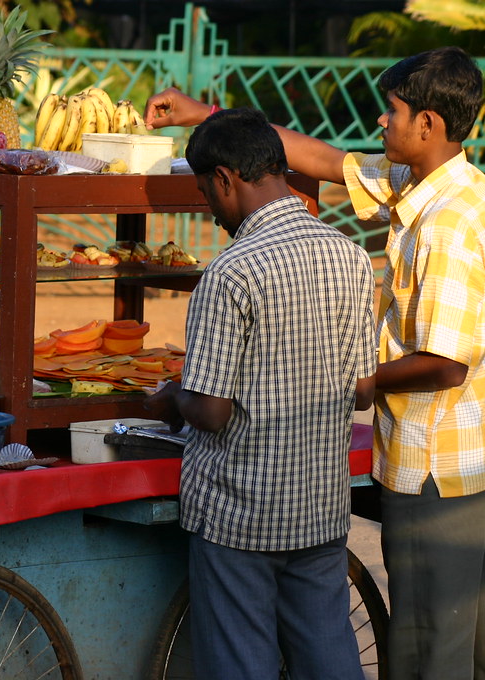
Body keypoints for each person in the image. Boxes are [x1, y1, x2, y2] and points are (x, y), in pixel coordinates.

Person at [144, 46, 485, 680]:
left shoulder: (451, 220)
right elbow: (324, 161)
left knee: (430, 652)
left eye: (392, 111)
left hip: (438, 466)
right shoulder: (409, 196)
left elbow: (445, 362)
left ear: (429, 125)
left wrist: (350, 379)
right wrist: (209, 118)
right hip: (349, 488)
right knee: (368, 646)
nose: (380, 122)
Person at [139, 106, 378, 679]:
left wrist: (173, 398)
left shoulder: (232, 273)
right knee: (328, 656)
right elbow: (364, 389)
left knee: (240, 663)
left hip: (239, 515)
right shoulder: (349, 255)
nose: (211, 211)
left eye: (205, 194)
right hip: (319, 508)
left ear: (225, 180)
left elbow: (213, 412)